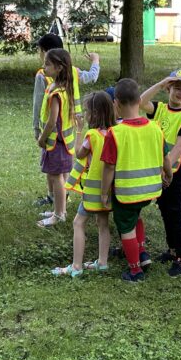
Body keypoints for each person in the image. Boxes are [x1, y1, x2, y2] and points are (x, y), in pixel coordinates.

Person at [100, 78, 171, 283]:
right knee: (136, 217)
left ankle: (135, 271)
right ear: (140, 100)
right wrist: (169, 174)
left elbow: (109, 167)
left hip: (126, 192)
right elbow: (165, 157)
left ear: (116, 103)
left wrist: (104, 193)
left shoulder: (116, 133)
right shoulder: (155, 127)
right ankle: (142, 254)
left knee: (126, 227)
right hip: (149, 190)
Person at [52, 92, 117, 277]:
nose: (86, 114)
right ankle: (102, 263)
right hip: (109, 188)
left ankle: (76, 266)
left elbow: (79, 153)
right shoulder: (115, 133)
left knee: (78, 223)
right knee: (103, 223)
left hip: (93, 189)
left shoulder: (93, 135)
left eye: (88, 111)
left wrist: (79, 130)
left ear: (94, 114)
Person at [31, 34, 100, 206]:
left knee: (53, 166)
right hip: (71, 126)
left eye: (41, 53)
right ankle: (63, 195)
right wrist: (96, 60)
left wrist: (36, 129)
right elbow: (92, 76)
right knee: (63, 165)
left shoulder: (42, 75)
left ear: (48, 53)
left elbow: (38, 102)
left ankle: (54, 197)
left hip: (52, 129)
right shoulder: (73, 71)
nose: (41, 58)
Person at [140, 69, 181, 277]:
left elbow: (179, 147)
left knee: (175, 210)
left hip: (177, 170)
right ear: (168, 89)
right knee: (164, 208)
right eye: (177, 88)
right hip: (162, 168)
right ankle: (172, 250)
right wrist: (161, 82)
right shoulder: (159, 109)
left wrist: (166, 172)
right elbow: (139, 101)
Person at [36, 48, 78, 227]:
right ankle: (58, 209)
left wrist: (42, 138)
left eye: (47, 64)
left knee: (56, 177)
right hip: (61, 142)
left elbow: (52, 121)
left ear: (59, 68)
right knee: (56, 176)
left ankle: (59, 214)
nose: (44, 67)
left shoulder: (56, 92)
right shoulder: (60, 86)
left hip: (56, 143)